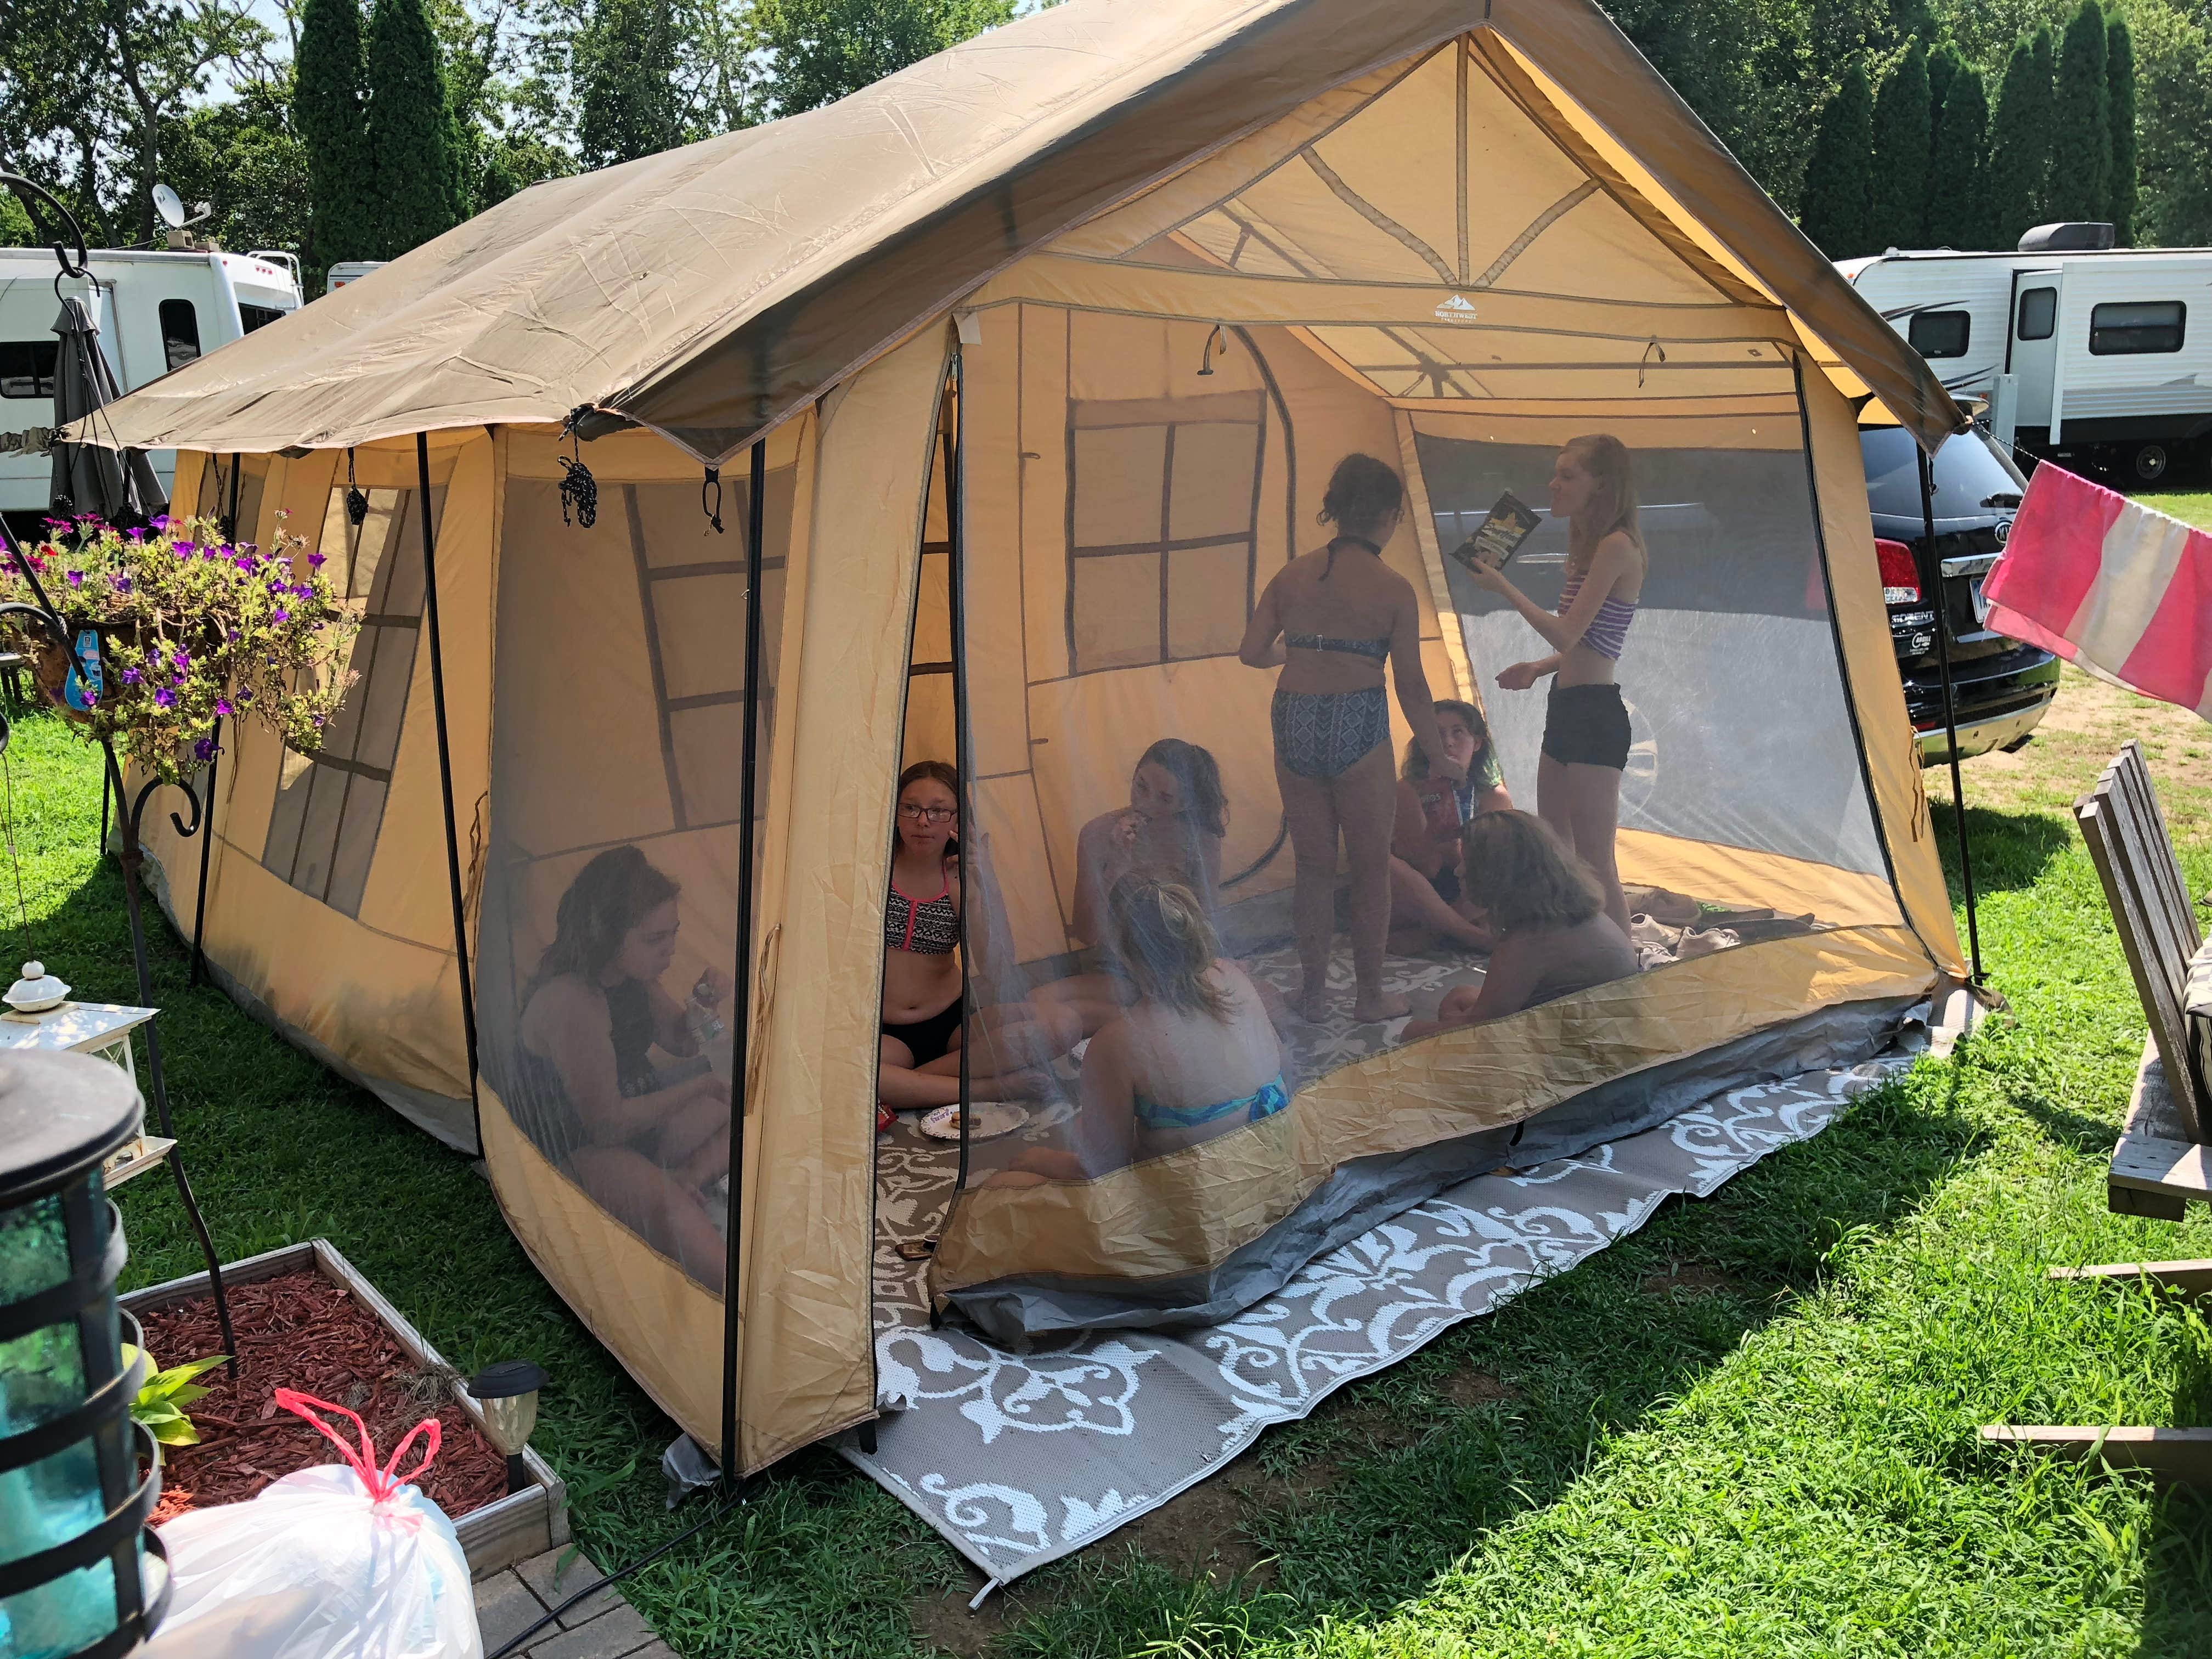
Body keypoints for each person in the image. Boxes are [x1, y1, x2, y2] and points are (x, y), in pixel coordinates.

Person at [1241, 454, 1463, 1023]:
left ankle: (1312, 996)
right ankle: (1369, 997)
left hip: (1295, 716)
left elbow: (1250, 652)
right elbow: (1410, 683)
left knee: (1313, 868)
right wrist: (1436, 755)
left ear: (1335, 509)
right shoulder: (1394, 589)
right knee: (1369, 867)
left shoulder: (1291, 575)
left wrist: (1298, 653)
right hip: (1357, 717)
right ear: (1390, 516)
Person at [516, 845, 732, 1287]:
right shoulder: (571, 1001)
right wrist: (700, 1089)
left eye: (673, 934)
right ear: (608, 936)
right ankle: (748, 1303)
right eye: (655, 940)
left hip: (643, 1124)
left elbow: (680, 1042)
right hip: (585, 1148)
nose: (670, 950)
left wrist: (704, 1002)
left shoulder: (632, 978)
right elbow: (607, 1126)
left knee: (750, 1099)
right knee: (668, 1208)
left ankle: (688, 1175)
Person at [1464, 435, 1646, 933]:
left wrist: (1503, 587)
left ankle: (1622, 964)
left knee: (1595, 860)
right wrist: (1539, 668)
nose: (1554, 484)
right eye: (1556, 473)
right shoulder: (1590, 545)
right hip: (1565, 705)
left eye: (1568, 475)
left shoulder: (1617, 546)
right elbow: (1587, 643)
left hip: (1595, 715)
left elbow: (1568, 632)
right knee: (1558, 852)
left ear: (1601, 484)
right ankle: (1577, 951)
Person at [995, 873, 1284, 1182]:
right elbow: (1286, 1072)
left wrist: (1044, 1160)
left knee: (1002, 1185)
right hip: (1277, 1160)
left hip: (1209, 1196)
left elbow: (1103, 1169)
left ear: (1122, 952)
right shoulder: (1234, 978)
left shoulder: (1115, 1042)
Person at [879, 760, 1081, 1110]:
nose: (923, 821)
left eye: (939, 811)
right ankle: (984, 1088)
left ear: (959, 820)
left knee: (1064, 1024)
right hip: (887, 1031)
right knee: (848, 1071)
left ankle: (910, 1085)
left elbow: (997, 967)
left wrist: (983, 883)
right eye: (911, 808)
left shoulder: (962, 876)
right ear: (895, 813)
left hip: (953, 1023)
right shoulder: (876, 867)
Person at [1402, 811, 1638, 1040]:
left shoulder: (1528, 941)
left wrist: (1419, 1031)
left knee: (1413, 1034)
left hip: (1587, 1044)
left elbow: (1480, 1027)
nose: (1458, 870)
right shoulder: (1571, 911)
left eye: (1469, 862)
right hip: (1612, 1023)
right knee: (1460, 996)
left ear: (1497, 873)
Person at [1389, 698, 1512, 955]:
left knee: (1508, 869)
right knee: (1387, 864)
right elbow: (1425, 864)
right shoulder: (1408, 790)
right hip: (1423, 888)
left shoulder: (1494, 797)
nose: (1448, 742)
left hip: (1473, 888)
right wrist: (1436, 820)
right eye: (1437, 734)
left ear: (1477, 743)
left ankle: (1436, 933)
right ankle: (1472, 935)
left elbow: (1497, 865)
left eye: (1458, 732)